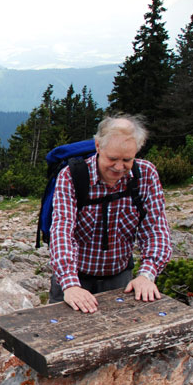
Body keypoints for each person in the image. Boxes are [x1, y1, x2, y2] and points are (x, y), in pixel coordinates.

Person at [49, 114, 172, 314]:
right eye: (112, 158)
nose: (118, 167)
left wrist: (146, 275)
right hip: (73, 277)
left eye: (127, 160)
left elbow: (155, 229)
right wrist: (70, 284)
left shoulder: (146, 175)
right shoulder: (72, 176)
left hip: (120, 277)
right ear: (98, 146)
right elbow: (62, 231)